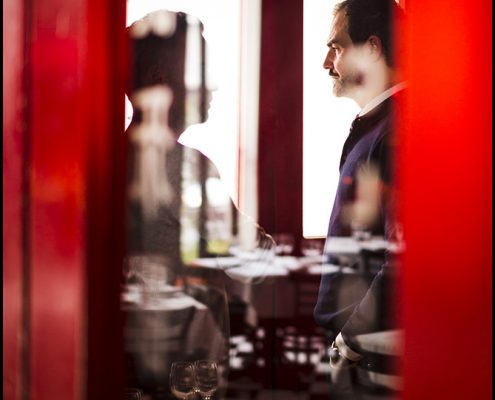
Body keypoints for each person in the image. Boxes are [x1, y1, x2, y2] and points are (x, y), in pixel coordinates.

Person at [123, 10, 274, 399]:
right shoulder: (185, 167)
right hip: (185, 381)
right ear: (160, 79)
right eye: (200, 67)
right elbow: (255, 263)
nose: (214, 83)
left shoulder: (112, 158)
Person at [313, 0, 405, 397]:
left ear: (372, 47)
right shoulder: (380, 127)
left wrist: (348, 342)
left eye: (336, 46)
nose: (326, 62)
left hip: (372, 360)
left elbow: (404, 253)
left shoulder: (398, 130)